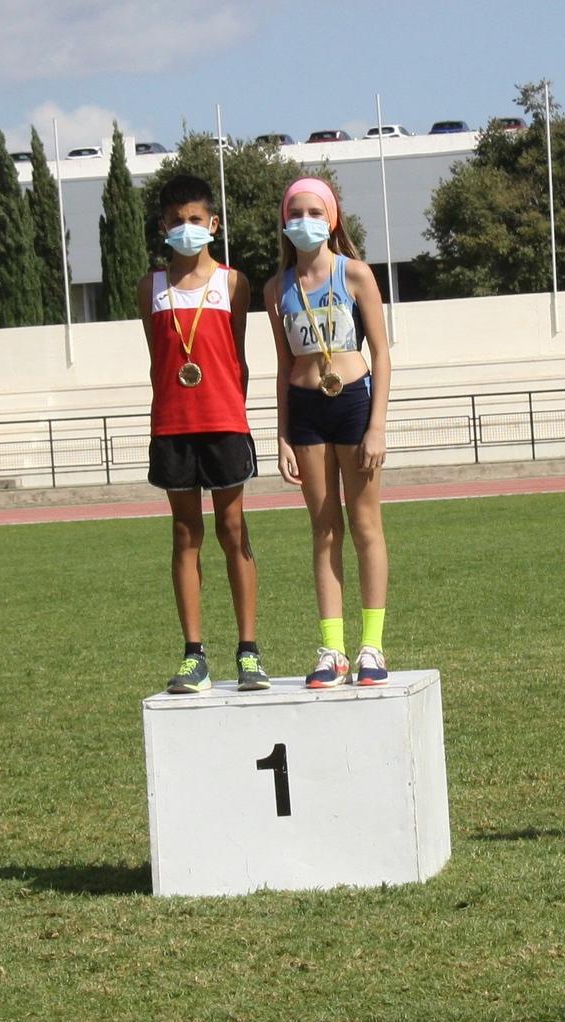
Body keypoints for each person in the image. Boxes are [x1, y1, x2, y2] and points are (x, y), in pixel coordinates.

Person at [137, 175, 269, 693]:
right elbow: (159, 359)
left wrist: (234, 410)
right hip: (173, 423)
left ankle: (249, 651)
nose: (186, 229)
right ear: (162, 227)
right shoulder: (150, 287)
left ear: (213, 225)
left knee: (233, 531)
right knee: (184, 534)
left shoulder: (234, 284)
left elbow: (236, 356)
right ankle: (194, 654)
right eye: (176, 221)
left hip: (224, 421)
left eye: (195, 220)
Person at [265, 177, 393, 687]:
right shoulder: (279, 288)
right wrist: (281, 434)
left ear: (332, 218)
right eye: (295, 212)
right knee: (324, 531)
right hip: (305, 411)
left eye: (314, 211)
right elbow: (281, 366)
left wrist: (377, 425)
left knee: (365, 526)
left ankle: (372, 646)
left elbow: (382, 353)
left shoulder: (355, 274)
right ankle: (332, 649)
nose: (304, 221)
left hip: (354, 406)